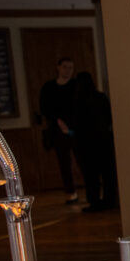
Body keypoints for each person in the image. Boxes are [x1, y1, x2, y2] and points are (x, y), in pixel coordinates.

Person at [71, 71, 119, 212]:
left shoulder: (76, 101)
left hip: (85, 145)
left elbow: (74, 123)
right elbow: (110, 118)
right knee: (108, 174)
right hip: (104, 142)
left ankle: (94, 202)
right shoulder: (101, 98)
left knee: (91, 176)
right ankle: (109, 200)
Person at [38, 57, 80, 203]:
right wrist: (58, 121)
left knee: (81, 160)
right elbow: (45, 107)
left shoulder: (76, 86)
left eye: (70, 67)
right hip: (57, 131)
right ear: (58, 68)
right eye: (65, 67)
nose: (68, 70)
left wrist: (71, 125)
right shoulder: (49, 87)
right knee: (64, 163)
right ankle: (71, 193)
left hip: (76, 130)